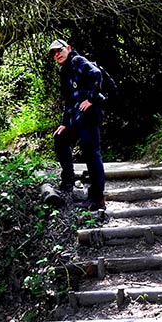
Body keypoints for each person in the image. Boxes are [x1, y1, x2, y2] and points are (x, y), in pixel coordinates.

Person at [48, 39, 106, 211]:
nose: (57, 54)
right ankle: (68, 181)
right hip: (76, 118)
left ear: (68, 48)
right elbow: (68, 100)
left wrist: (91, 98)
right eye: (53, 53)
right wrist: (64, 124)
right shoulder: (64, 71)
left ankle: (97, 197)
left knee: (91, 153)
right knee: (60, 138)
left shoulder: (76, 61)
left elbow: (96, 74)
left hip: (89, 115)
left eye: (59, 50)